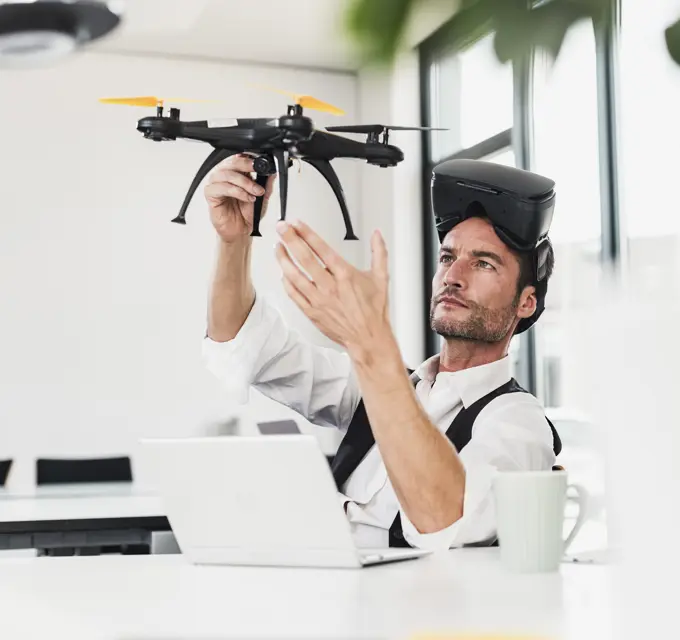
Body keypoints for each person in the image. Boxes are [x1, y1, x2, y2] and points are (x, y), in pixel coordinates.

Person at [201, 154, 559, 552]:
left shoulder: (518, 422)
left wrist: (371, 344)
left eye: (484, 264)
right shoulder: (383, 386)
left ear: (526, 302)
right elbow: (242, 344)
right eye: (447, 257)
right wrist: (234, 241)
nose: (453, 278)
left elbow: (448, 521)